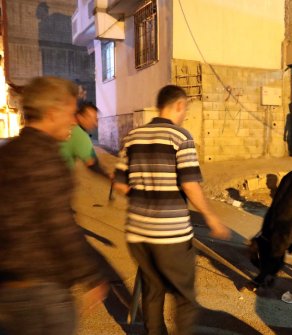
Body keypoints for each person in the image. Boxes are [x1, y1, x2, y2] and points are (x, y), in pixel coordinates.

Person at [113, 85, 230, 335]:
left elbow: (120, 185)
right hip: (171, 236)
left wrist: (146, 195)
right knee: (184, 296)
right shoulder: (180, 137)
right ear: (178, 105)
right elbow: (189, 184)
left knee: (152, 292)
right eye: (185, 109)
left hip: (137, 234)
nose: (185, 114)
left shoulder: (132, 137)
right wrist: (211, 218)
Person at [0, 76, 109, 334]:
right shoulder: (48, 159)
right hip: (43, 295)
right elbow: (60, 225)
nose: (74, 120)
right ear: (51, 114)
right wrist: (91, 275)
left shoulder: (6, 153)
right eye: (70, 113)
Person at [60, 101, 110, 179]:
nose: (95, 124)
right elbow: (91, 163)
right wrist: (110, 176)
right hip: (59, 178)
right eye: (92, 119)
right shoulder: (79, 134)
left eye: (96, 120)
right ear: (80, 117)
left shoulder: (62, 125)